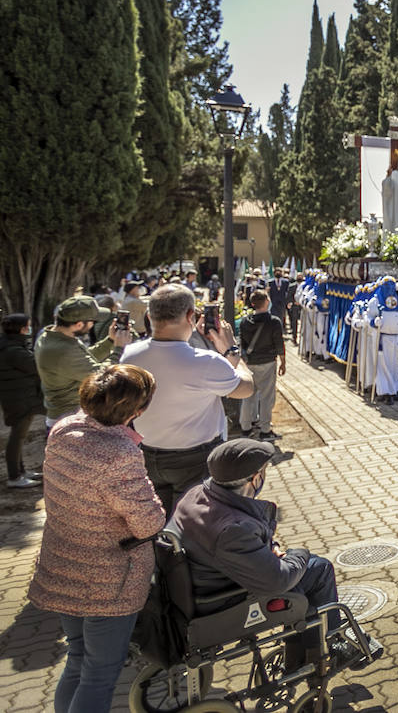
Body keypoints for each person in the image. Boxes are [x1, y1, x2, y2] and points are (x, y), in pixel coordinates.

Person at [171, 438, 383, 670]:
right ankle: (335, 642)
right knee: (319, 569)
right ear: (255, 478)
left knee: (303, 586)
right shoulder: (234, 529)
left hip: (206, 578)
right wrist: (298, 553)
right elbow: (277, 581)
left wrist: (264, 548)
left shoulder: (196, 495)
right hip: (222, 596)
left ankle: (305, 654)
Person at [28, 365, 166, 713]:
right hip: (108, 580)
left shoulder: (63, 430)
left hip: (63, 565)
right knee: (100, 674)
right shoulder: (120, 454)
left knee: (77, 658)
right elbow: (149, 523)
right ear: (137, 411)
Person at [123, 284, 254, 516]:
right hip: (195, 459)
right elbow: (245, 388)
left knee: (159, 521)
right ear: (191, 316)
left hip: (148, 454)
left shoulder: (130, 355)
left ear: (150, 316)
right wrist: (231, 349)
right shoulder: (207, 361)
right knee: (192, 526)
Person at [35, 295, 130, 430]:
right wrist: (119, 348)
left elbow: (84, 357)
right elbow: (101, 376)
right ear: (79, 324)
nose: (94, 324)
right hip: (68, 420)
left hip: (66, 414)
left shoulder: (54, 336)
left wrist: (110, 341)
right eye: (93, 321)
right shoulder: (62, 350)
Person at [1, 313, 43, 488]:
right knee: (17, 437)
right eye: (28, 325)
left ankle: (20, 472)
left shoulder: (11, 345)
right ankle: (15, 477)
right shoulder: (14, 351)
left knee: (18, 436)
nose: (30, 328)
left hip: (19, 397)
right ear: (22, 329)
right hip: (19, 399)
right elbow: (36, 366)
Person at [238, 290, 286, 440]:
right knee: (266, 397)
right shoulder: (274, 321)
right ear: (266, 301)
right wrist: (283, 362)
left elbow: (242, 344)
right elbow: (279, 344)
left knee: (248, 396)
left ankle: (246, 427)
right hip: (267, 363)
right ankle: (265, 430)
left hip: (250, 363)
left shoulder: (245, 321)